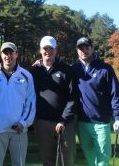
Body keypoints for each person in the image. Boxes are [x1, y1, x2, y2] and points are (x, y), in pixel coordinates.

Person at [72, 37, 119, 166]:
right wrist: (40, 62)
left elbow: (116, 94)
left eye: (87, 47)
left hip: (101, 122)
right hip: (82, 122)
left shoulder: (105, 69)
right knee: (91, 160)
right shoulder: (73, 69)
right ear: (77, 50)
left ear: (92, 48)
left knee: (102, 161)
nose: (84, 50)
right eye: (81, 48)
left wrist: (118, 117)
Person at [0, 42, 36, 166]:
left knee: (19, 164)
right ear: (1, 55)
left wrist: (24, 123)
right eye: (5, 53)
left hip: (18, 130)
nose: (8, 56)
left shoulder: (26, 76)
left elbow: (30, 102)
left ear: (16, 54)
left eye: (11, 52)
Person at [30, 36, 77, 166]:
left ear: (56, 50)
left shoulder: (66, 69)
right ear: (40, 50)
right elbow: (29, 96)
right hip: (42, 122)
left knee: (66, 161)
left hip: (65, 123)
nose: (48, 51)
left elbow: (72, 97)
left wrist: (63, 119)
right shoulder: (34, 70)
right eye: (45, 48)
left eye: (51, 48)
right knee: (47, 161)